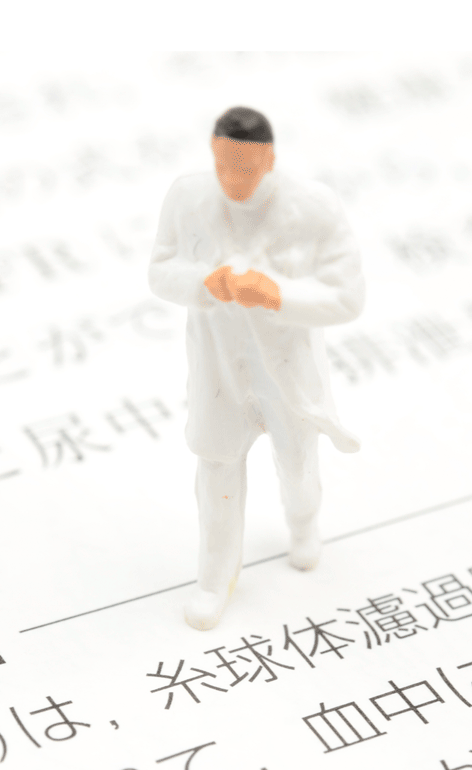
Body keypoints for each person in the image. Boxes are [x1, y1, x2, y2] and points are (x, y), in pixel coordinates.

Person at [148, 106, 365, 630]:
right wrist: (204, 284)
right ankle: (215, 577)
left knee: (297, 466)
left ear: (269, 159)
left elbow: (347, 298)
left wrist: (276, 294)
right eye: (222, 166)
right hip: (219, 368)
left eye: (244, 168)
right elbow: (160, 270)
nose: (232, 180)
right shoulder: (187, 197)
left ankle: (303, 524)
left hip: (286, 371)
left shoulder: (314, 208)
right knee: (216, 469)